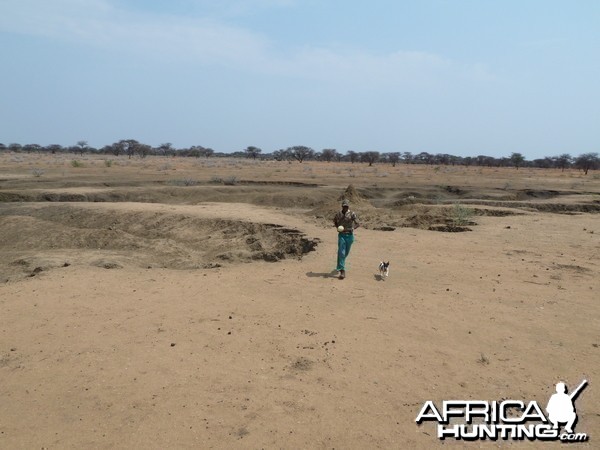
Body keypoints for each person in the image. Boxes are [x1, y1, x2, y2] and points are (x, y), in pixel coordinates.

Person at [333, 199, 360, 279]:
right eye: (344, 206)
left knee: (345, 253)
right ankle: (342, 270)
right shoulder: (339, 214)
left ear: (348, 206)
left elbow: (358, 223)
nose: (345, 207)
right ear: (342, 206)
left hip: (350, 236)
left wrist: (353, 228)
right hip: (341, 235)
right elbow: (334, 221)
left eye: (346, 206)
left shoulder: (352, 214)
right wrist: (337, 227)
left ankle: (339, 265)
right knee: (341, 252)